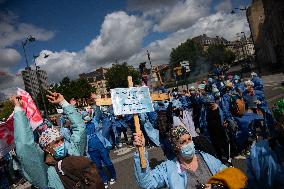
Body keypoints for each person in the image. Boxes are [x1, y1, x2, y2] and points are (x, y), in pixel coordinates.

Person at [10, 91, 104, 189]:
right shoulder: (44, 172)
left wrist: (63, 103)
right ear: (46, 148)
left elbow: (80, 128)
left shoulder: (73, 152)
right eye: (56, 142)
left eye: (61, 140)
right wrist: (18, 109)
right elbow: (25, 146)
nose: (61, 144)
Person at [133, 125, 227, 189]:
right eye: (183, 142)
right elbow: (147, 183)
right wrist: (140, 152)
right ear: (175, 147)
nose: (188, 144)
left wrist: (216, 186)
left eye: (189, 139)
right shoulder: (169, 167)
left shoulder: (207, 158)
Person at [83, 112, 116, 189]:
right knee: (98, 166)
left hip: (101, 146)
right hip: (91, 150)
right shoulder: (82, 127)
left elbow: (98, 112)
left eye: (87, 115)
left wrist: (97, 103)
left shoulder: (94, 121)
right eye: (84, 116)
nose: (86, 116)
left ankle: (113, 176)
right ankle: (104, 180)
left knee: (108, 163)